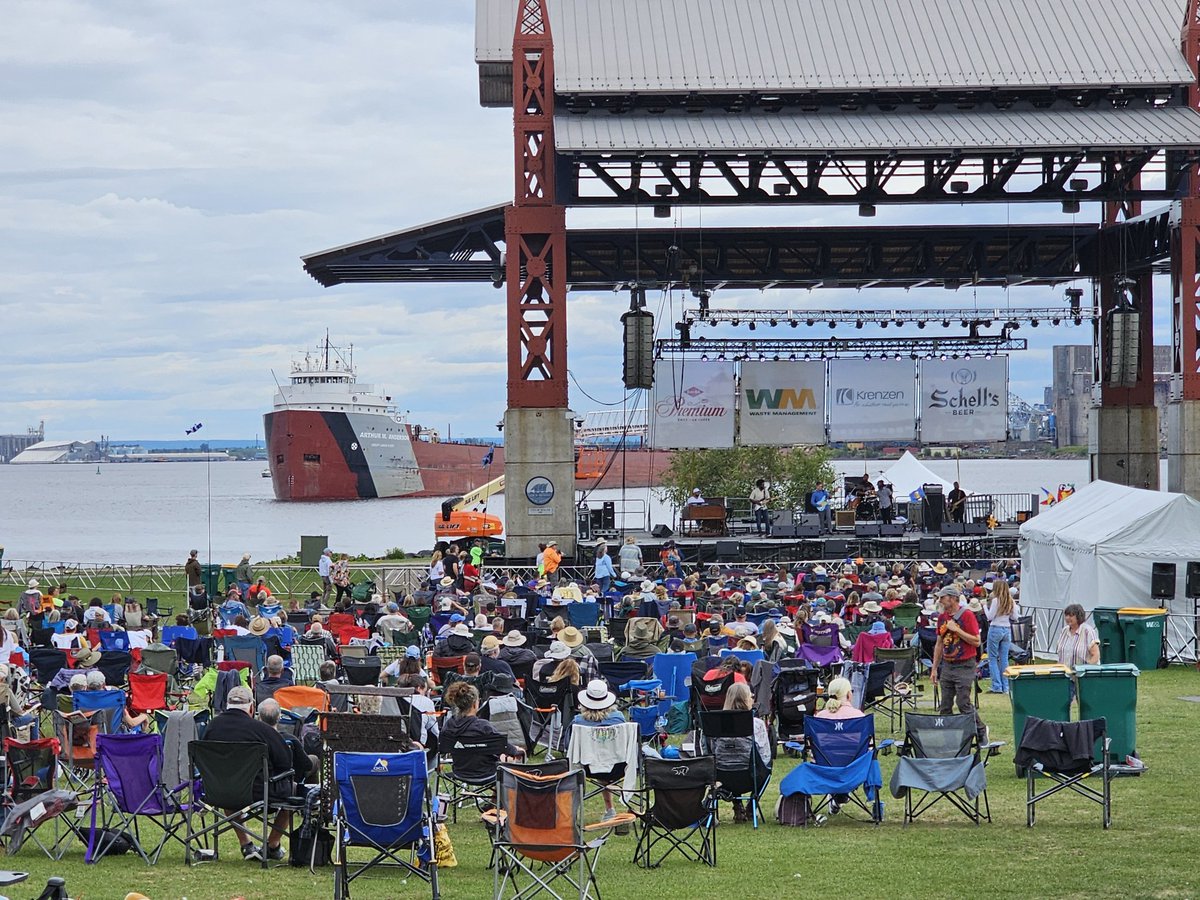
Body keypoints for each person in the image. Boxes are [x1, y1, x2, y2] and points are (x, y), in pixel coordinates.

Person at [202, 685, 295, 861]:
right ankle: (272, 844)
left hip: (218, 790)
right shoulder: (262, 730)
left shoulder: (210, 728)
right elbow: (285, 763)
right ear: (252, 708)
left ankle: (246, 844)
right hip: (259, 791)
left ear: (226, 705)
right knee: (294, 790)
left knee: (228, 782)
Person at [929, 587, 987, 744]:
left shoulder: (967, 615)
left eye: (943, 597)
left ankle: (981, 731)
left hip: (965, 664)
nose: (940, 601)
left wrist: (957, 630)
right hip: (947, 665)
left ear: (953, 598)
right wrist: (934, 669)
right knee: (945, 705)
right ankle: (948, 739)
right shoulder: (942, 618)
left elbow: (976, 641)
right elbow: (939, 643)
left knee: (963, 703)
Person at [439, 682, 522, 781]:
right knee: (517, 753)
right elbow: (506, 747)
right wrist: (517, 750)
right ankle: (498, 795)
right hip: (488, 773)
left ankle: (495, 796)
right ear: (475, 704)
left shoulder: (449, 725)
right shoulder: (483, 726)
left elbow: (442, 747)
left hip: (459, 771)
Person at [572, 680, 628, 823]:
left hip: (588, 768)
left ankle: (609, 809)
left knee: (598, 758)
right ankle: (625, 807)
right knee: (605, 757)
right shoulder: (619, 719)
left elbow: (569, 749)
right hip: (619, 767)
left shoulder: (578, 722)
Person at [716, 682, 771, 823]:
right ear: (746, 700)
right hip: (750, 778)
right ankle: (751, 804)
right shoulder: (756, 724)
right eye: (751, 696)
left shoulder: (716, 722)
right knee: (765, 765)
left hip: (721, 777)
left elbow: (709, 751)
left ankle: (737, 805)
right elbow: (765, 755)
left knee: (735, 759)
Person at [257, 698, 313, 785]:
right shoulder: (291, 739)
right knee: (314, 760)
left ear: (259, 717)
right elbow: (307, 765)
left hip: (258, 784)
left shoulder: (254, 739)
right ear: (279, 717)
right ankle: (307, 793)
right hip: (285, 782)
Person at [984, 579, 1017, 694]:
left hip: (995, 628)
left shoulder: (995, 601)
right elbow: (1015, 617)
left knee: (992, 658)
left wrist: (984, 607)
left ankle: (997, 686)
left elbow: (990, 616)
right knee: (1004, 659)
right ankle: (1006, 687)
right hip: (1006, 629)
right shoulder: (1011, 601)